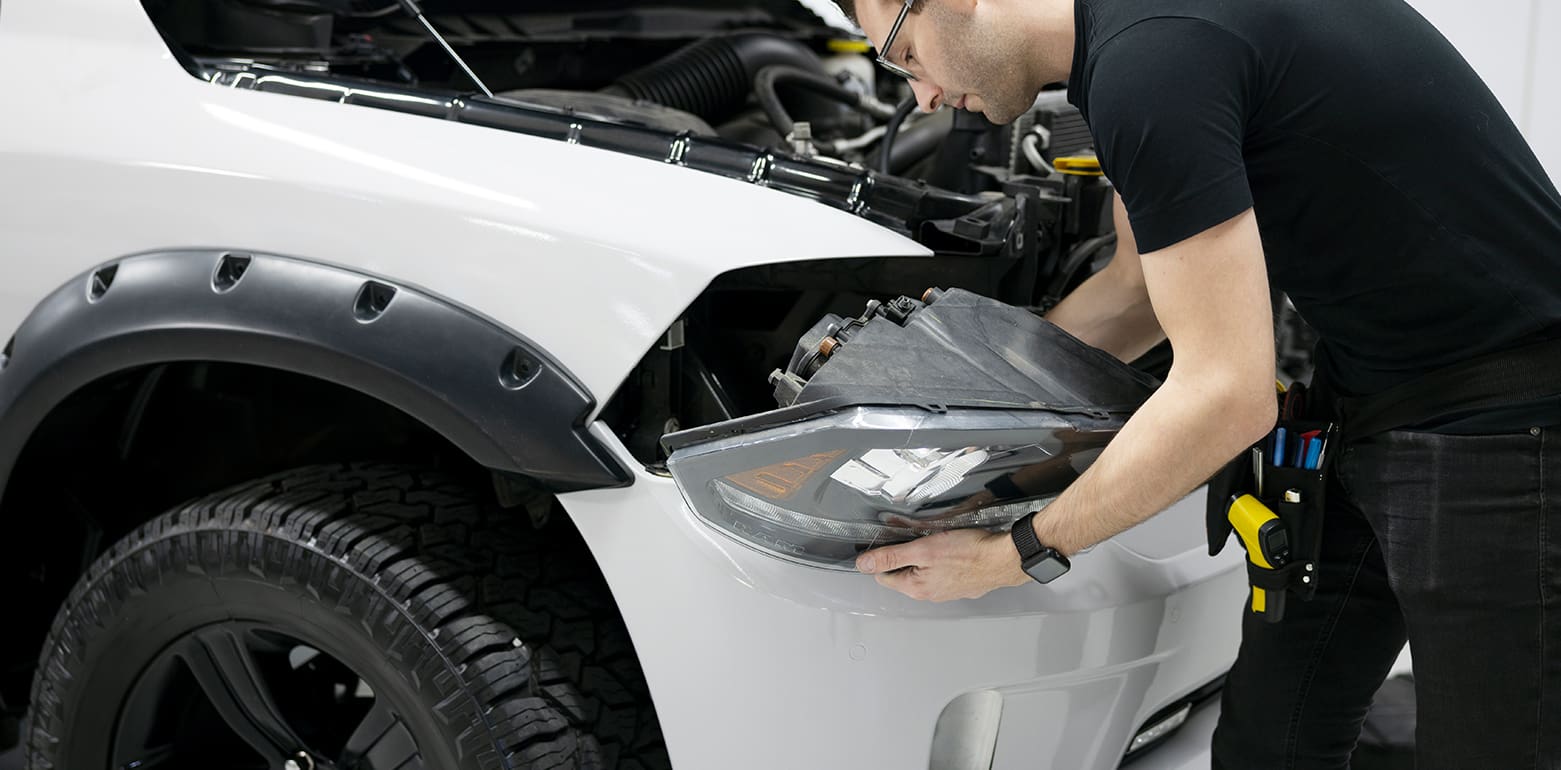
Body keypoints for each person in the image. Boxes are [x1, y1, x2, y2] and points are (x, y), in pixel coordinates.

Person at [834, 0, 1561, 766]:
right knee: (1266, 746)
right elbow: (1138, 291)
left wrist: (1013, 554)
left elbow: (1225, 398)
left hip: (1505, 422)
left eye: (905, 55)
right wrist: (950, 406)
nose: (923, 97)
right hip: (1366, 393)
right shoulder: (1127, 44)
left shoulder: (1149, 60)